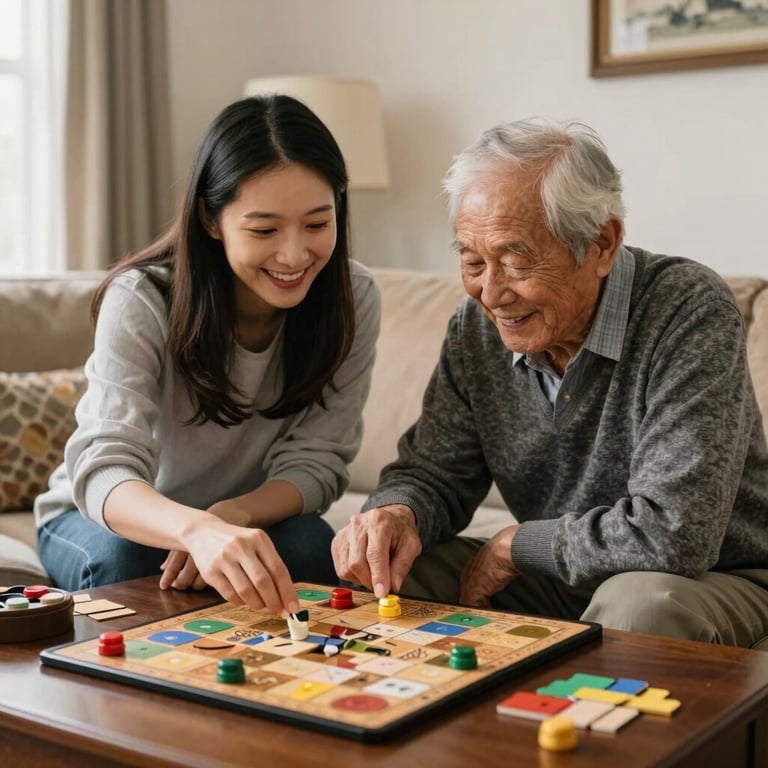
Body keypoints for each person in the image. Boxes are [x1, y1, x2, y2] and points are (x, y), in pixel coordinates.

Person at [332, 117, 768, 646]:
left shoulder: (686, 309)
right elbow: (434, 471)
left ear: (602, 244)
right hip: (559, 577)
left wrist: (517, 545)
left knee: (637, 606)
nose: (491, 293)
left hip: (713, 579)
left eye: (515, 262)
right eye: (472, 261)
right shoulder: (478, 328)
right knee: (392, 577)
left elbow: (675, 533)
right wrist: (395, 513)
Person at [35, 94, 381, 616]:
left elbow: (319, 460)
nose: (294, 254)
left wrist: (234, 514)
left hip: (239, 515)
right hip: (118, 517)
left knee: (311, 545)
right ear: (211, 219)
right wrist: (196, 529)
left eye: (317, 224)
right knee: (129, 560)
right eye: (264, 230)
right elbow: (105, 468)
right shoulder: (143, 298)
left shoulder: (354, 296)